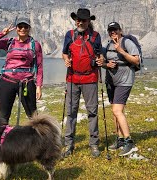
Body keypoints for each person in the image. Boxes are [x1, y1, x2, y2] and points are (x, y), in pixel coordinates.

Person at [61, 8, 104, 158]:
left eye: (83, 20)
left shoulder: (96, 36)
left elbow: (100, 55)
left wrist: (101, 60)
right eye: (78, 19)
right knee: (71, 112)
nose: (80, 22)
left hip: (90, 79)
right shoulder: (70, 35)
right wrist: (66, 59)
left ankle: (94, 144)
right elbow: (64, 52)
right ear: (75, 20)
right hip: (72, 79)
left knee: (92, 112)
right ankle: (68, 145)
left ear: (88, 21)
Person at [0, 18, 43, 122]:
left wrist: (38, 86)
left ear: (29, 28)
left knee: (33, 115)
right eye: (20, 26)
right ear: (16, 28)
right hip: (7, 81)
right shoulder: (9, 42)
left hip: (26, 82)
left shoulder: (35, 44)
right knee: (3, 114)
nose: (23, 29)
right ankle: (2, 137)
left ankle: (39, 137)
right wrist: (2, 33)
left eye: (26, 27)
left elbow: (39, 66)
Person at [102, 22, 140, 156]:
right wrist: (107, 64)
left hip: (125, 81)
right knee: (115, 111)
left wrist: (121, 51)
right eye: (110, 30)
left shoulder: (127, 42)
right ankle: (120, 139)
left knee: (117, 110)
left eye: (115, 30)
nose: (113, 32)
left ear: (120, 30)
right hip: (111, 81)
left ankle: (129, 142)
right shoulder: (107, 45)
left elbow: (136, 61)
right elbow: (102, 62)